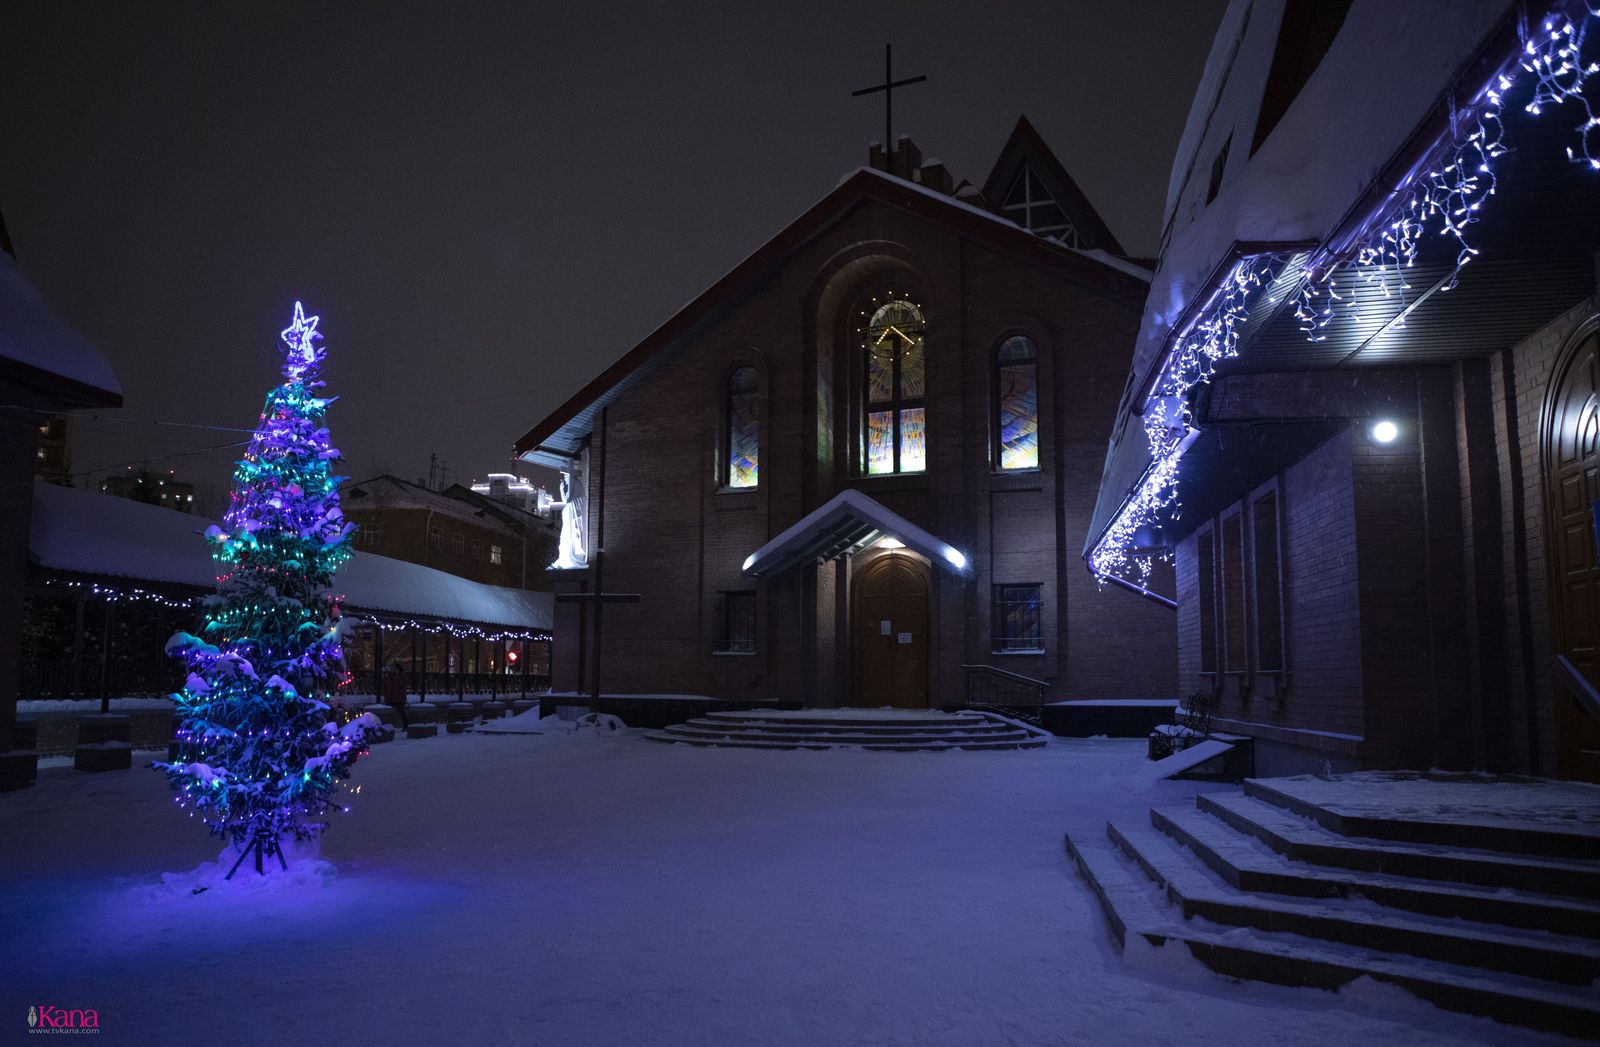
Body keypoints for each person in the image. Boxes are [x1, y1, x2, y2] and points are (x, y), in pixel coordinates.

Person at [383, 660, 410, 728]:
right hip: (391, 697)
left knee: (401, 711)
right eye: (391, 668)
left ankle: (406, 725)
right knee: (387, 711)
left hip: (399, 697)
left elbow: (401, 684)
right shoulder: (390, 675)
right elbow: (386, 685)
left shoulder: (401, 675)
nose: (392, 669)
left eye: (393, 668)